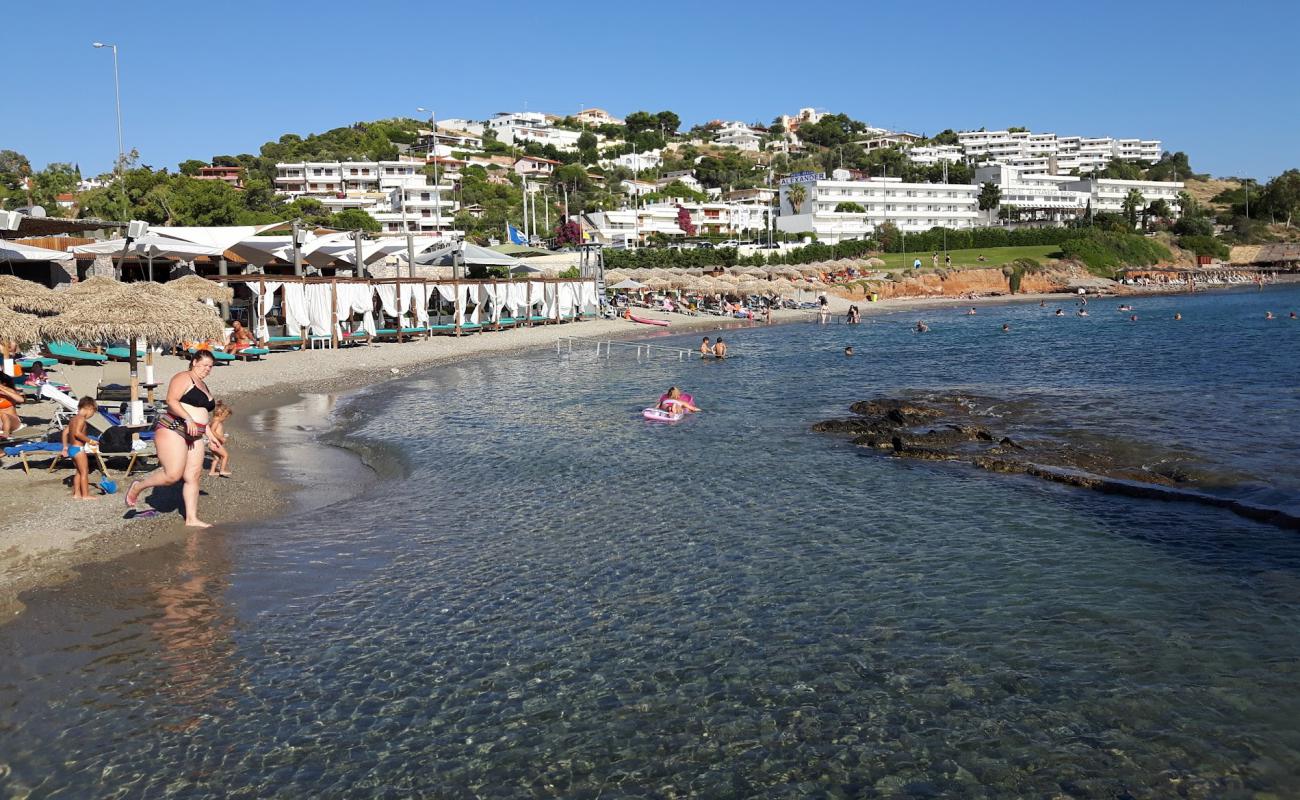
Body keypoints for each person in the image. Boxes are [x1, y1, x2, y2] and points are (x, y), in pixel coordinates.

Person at [126, 350, 217, 528]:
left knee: (193, 476)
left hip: (196, 434)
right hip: (174, 429)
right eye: (204, 365)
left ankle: (191, 518)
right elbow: (172, 401)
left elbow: (201, 411)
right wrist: (188, 418)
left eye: (210, 366)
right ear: (194, 362)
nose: (207, 369)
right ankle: (138, 486)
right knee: (172, 475)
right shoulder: (184, 377)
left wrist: (210, 434)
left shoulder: (203, 384)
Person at [60, 397, 98, 499]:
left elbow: (65, 433)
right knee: (85, 472)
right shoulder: (81, 419)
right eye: (93, 412)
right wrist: (90, 441)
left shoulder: (73, 419)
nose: (91, 415)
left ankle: (76, 493)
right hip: (78, 449)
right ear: (89, 408)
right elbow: (77, 433)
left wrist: (64, 447)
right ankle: (85, 495)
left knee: (78, 472)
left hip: (72, 448)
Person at [206, 401, 233, 477]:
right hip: (215, 444)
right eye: (225, 416)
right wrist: (221, 437)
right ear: (221, 414)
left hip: (212, 444)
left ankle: (212, 472)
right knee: (225, 455)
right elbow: (212, 431)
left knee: (216, 458)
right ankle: (222, 470)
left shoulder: (213, 421)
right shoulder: (216, 421)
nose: (225, 419)